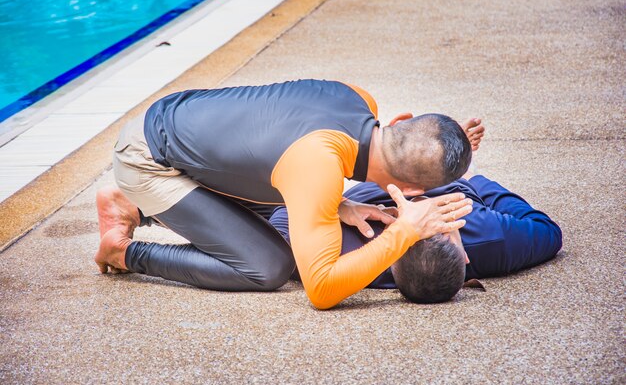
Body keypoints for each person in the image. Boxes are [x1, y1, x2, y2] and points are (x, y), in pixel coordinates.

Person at [95, 79, 477, 309]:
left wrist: (339, 203)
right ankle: (125, 252)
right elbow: (323, 289)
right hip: (148, 160)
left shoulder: (358, 98)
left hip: (172, 116)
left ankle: (132, 205)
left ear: (400, 122)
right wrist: (404, 232)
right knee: (268, 266)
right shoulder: (317, 168)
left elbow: (272, 142)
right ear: (409, 190)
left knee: (287, 205)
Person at [269, 164, 563, 304]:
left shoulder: (343, 257)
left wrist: (340, 205)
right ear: (465, 256)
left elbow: (281, 217)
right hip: (458, 186)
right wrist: (478, 183)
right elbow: (548, 230)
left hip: (388, 178)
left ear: (388, 253)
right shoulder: (490, 237)